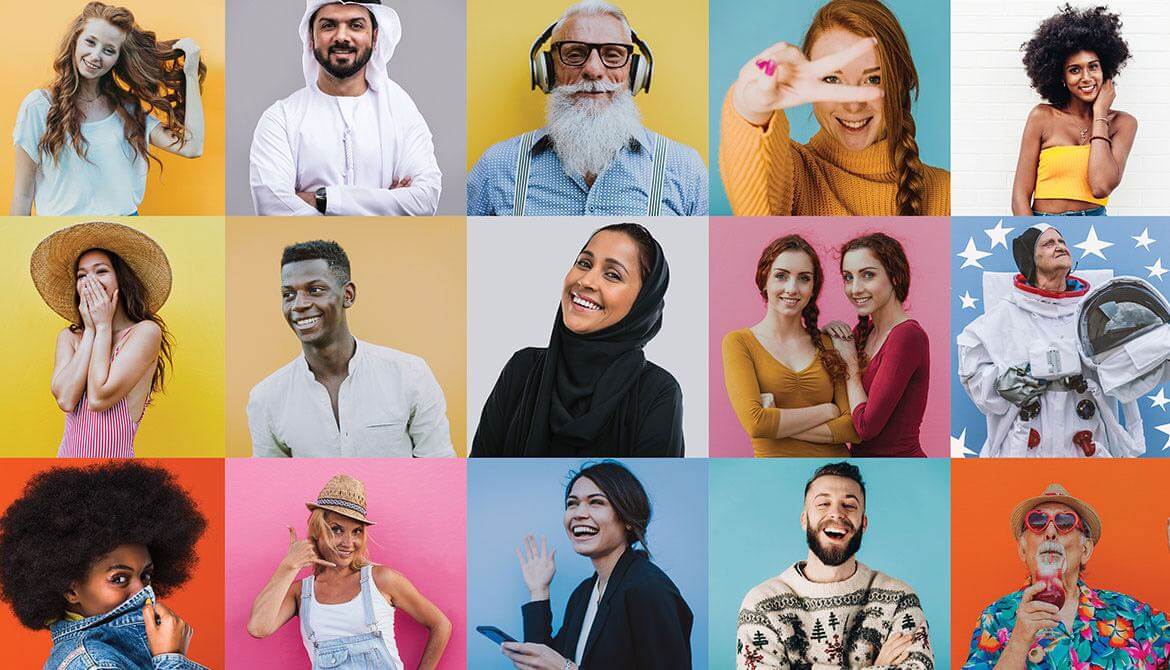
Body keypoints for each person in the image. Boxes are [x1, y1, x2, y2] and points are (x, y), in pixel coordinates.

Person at [467, 0, 708, 216]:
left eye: (612, 55)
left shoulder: (685, 170)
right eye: (574, 54)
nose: (593, 69)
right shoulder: (497, 166)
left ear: (635, 72)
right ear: (548, 70)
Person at [470, 223, 683, 457]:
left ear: (644, 303)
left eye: (612, 275)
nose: (586, 281)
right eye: (584, 263)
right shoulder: (522, 369)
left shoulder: (658, 392)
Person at [721, 0, 949, 216]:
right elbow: (755, 209)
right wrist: (750, 109)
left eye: (873, 79)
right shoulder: (793, 176)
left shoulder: (949, 195)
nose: (852, 105)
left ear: (900, 84)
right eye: (831, 79)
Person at [247, 240, 454, 458]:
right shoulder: (266, 398)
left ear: (348, 295)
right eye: (288, 294)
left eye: (315, 290)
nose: (298, 304)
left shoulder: (410, 375)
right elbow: (272, 487)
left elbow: (440, 473)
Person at [956, 224, 1144, 457]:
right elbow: (973, 373)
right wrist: (1000, 384)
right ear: (1030, 261)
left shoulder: (1093, 314)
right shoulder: (1004, 317)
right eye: (1048, 244)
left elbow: (1126, 373)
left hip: (1084, 446)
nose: (1060, 247)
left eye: (1062, 242)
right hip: (1023, 447)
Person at [0, 461, 209, 669]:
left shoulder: (123, 648)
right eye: (119, 579)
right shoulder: (93, 664)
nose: (142, 591)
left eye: (145, 576)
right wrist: (171, 658)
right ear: (70, 590)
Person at [11, 2, 204, 216]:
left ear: (118, 58)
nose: (95, 56)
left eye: (109, 50)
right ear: (75, 40)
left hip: (124, 228)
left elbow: (192, 148)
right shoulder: (39, 106)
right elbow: (23, 195)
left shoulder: (128, 109)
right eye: (90, 42)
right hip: (63, 232)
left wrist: (191, 74)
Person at [249, 0, 441, 216]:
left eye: (356, 25)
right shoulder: (280, 119)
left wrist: (321, 200)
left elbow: (424, 200)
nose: (341, 36)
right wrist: (387, 205)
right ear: (311, 38)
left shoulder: (401, 111)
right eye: (328, 25)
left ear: (375, 37)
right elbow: (273, 209)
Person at [737, 462, 933, 669]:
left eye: (849, 505)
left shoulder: (899, 598)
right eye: (823, 504)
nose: (837, 513)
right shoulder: (762, 604)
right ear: (805, 519)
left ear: (863, 524)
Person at [247, 474, 452, 670]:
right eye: (337, 529)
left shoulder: (381, 580)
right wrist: (288, 566)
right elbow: (258, 628)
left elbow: (441, 625)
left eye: (357, 531)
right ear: (318, 530)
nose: (348, 542)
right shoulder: (301, 593)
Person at [503, 461, 692, 670]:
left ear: (627, 518)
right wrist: (539, 590)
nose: (578, 513)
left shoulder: (648, 589)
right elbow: (544, 663)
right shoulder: (583, 594)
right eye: (572, 503)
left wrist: (567, 668)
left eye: (596, 502)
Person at [962, 483, 1170, 669]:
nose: (1050, 532)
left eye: (1064, 522)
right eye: (1037, 522)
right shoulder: (996, 617)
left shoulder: (1135, 615)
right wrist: (1018, 641)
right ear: (1023, 551)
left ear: (1085, 550)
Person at [30, 221, 174, 458]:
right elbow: (65, 399)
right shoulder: (69, 338)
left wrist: (104, 325)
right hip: (66, 471)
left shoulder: (145, 333)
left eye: (102, 271)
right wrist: (91, 330)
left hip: (115, 476)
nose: (90, 281)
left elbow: (99, 397)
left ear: (121, 279)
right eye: (82, 275)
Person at [722, 235, 860, 457]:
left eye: (804, 278)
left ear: (814, 287)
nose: (792, 288)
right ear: (764, 280)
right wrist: (828, 410)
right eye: (781, 276)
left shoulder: (828, 343)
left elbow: (853, 428)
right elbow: (757, 424)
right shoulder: (739, 343)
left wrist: (778, 424)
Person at [1012, 5, 1135, 216]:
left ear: (1105, 68)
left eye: (1093, 66)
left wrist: (1100, 114)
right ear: (1061, 77)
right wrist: (1035, 236)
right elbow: (1019, 197)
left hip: (1095, 231)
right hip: (1045, 227)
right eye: (1074, 70)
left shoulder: (1123, 124)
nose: (1086, 77)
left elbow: (1100, 186)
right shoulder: (1041, 117)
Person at [821, 233, 928, 457]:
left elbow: (865, 427)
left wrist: (849, 361)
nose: (855, 288)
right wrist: (827, 340)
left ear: (895, 277)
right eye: (848, 277)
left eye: (867, 275)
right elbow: (835, 403)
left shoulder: (907, 336)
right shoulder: (862, 332)